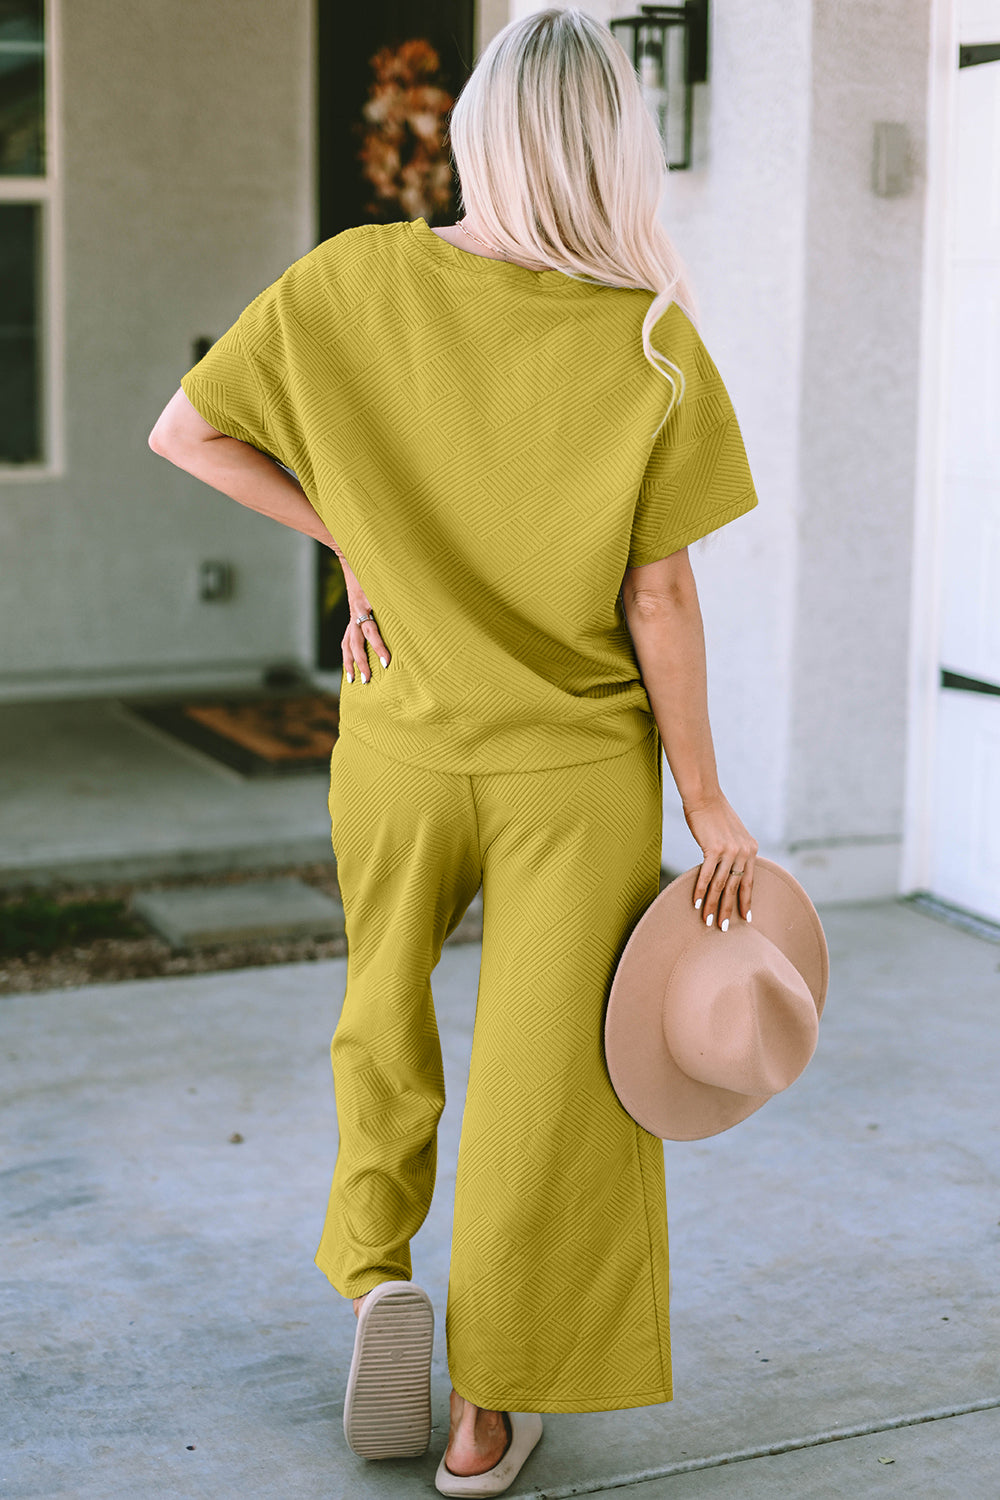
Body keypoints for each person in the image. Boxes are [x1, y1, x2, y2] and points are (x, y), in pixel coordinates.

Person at [149, 6, 760, 1493]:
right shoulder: (649, 338)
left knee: (382, 1013)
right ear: (612, 150)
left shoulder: (354, 279)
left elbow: (188, 433)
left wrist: (354, 537)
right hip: (576, 772)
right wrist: (710, 803)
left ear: (477, 135)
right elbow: (660, 599)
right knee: (554, 1078)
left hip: (401, 738)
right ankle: (489, 1409)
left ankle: (376, 1274)